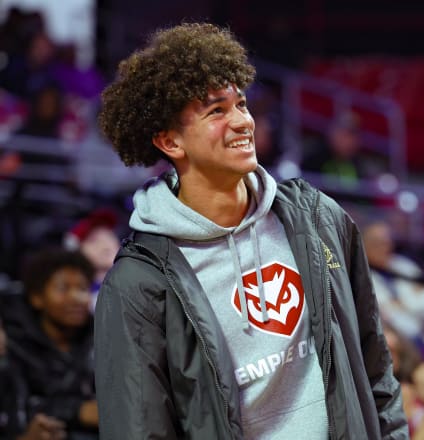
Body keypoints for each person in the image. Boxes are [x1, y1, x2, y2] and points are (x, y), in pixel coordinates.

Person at [94, 23, 407, 439]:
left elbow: (375, 369)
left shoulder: (319, 219)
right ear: (170, 142)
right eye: (216, 111)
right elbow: (138, 429)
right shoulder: (137, 283)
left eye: (241, 104)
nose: (242, 121)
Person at [2, 248, 97, 439]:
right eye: (63, 288)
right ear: (37, 298)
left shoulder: (100, 335)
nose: (76, 298)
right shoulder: (12, 344)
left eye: (82, 288)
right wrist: (79, 411)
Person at [362, 220, 424, 354]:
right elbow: (385, 314)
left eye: (388, 242)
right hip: (388, 343)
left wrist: (403, 305)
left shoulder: (403, 265)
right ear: (364, 245)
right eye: (379, 243)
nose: (386, 247)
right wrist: (411, 302)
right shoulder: (360, 275)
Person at [63, 208, 121, 311]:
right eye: (94, 241)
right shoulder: (78, 300)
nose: (106, 245)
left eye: (108, 235)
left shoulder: (140, 277)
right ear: (78, 253)